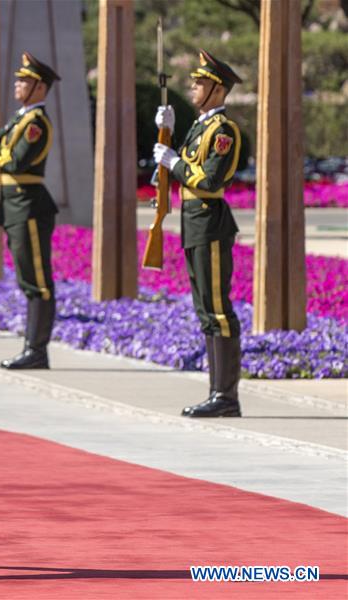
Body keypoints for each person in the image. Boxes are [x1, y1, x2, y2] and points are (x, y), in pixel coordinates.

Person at [154, 50, 243, 418]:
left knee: (218, 309)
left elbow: (209, 180)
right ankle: (217, 392)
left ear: (218, 90)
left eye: (200, 82)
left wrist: (173, 161)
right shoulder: (200, 127)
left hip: (210, 220)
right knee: (205, 309)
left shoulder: (223, 132)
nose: (193, 86)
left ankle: (226, 396)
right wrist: (169, 139)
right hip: (194, 222)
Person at [0, 52, 60, 370]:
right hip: (16, 205)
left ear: (40, 87)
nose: (17, 84)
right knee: (27, 278)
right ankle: (33, 347)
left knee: (37, 280)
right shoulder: (21, 118)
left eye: (24, 80)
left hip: (30, 206)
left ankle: (36, 349)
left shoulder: (36, 123)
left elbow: (13, 160)